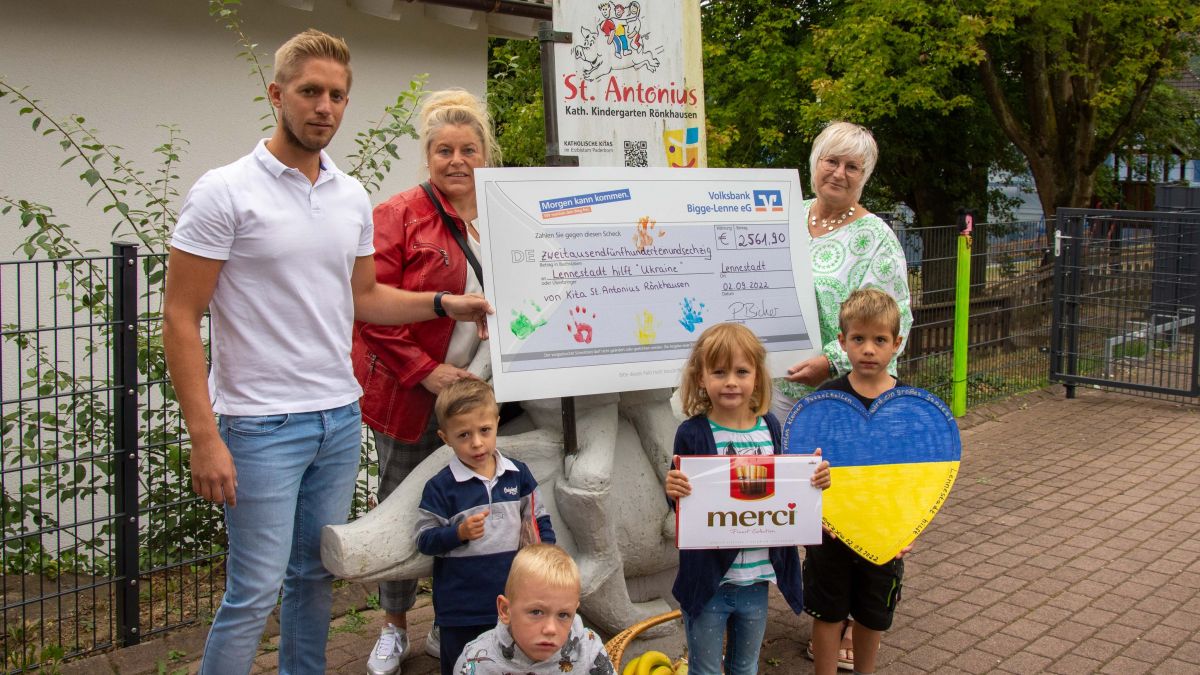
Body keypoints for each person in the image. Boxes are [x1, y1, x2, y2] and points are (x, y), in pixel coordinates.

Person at [162, 29, 491, 675]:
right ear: (277, 94)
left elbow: (364, 298)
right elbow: (179, 316)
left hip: (338, 418)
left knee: (314, 577)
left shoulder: (348, 194)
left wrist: (441, 305)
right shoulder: (224, 190)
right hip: (259, 425)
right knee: (253, 591)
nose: (325, 107)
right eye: (311, 91)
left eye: (338, 95)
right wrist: (205, 436)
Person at [351, 87, 499, 675]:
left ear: (485, 155)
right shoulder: (399, 215)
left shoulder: (503, 214)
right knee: (404, 507)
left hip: (485, 399)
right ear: (428, 157)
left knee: (468, 505)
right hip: (415, 398)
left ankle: (449, 618)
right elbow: (369, 311)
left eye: (468, 148)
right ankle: (392, 627)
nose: (457, 160)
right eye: (443, 150)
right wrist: (427, 371)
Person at [772, 122, 911, 670]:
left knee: (846, 502)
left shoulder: (875, 236)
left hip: (841, 395)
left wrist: (831, 359)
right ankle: (821, 607)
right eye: (832, 161)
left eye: (853, 167)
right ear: (814, 163)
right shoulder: (783, 215)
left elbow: (892, 316)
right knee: (800, 501)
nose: (840, 173)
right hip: (773, 388)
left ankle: (848, 621)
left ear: (865, 178)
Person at [664, 323, 831, 675]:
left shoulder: (770, 426)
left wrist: (813, 481)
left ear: (757, 376)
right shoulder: (691, 433)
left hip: (756, 582)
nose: (731, 382)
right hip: (708, 583)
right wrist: (674, 490)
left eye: (741, 371)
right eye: (719, 371)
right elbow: (682, 503)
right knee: (706, 670)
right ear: (700, 377)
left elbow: (786, 488)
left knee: (745, 667)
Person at [805, 288, 913, 675]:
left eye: (880, 340)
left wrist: (907, 529)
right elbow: (805, 463)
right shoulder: (825, 400)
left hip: (883, 533)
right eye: (859, 339)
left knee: (872, 615)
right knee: (828, 612)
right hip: (831, 531)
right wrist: (811, 515)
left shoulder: (909, 405)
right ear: (842, 342)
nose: (869, 349)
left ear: (896, 344)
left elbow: (916, 477)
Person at [414, 379, 556, 674]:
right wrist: (458, 533)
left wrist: (547, 558)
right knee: (460, 667)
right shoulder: (441, 487)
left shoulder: (518, 475)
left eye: (484, 431)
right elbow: (424, 539)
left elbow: (538, 520)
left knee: (510, 665)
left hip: (512, 602)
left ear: (496, 424)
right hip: (460, 610)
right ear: (445, 437)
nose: (477, 443)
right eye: (463, 434)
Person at [454, 544, 614, 674]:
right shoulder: (476, 662)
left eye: (564, 615)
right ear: (505, 610)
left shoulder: (588, 649)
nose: (550, 629)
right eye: (536, 612)